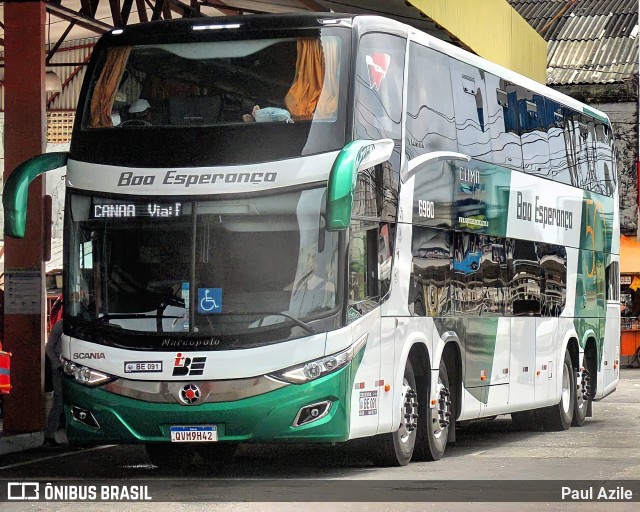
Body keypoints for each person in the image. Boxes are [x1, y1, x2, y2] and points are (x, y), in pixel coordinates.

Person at [43, 320, 65, 447]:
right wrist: (57, 365)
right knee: (59, 401)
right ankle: (49, 435)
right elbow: (49, 347)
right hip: (59, 370)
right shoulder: (60, 325)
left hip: (72, 369)